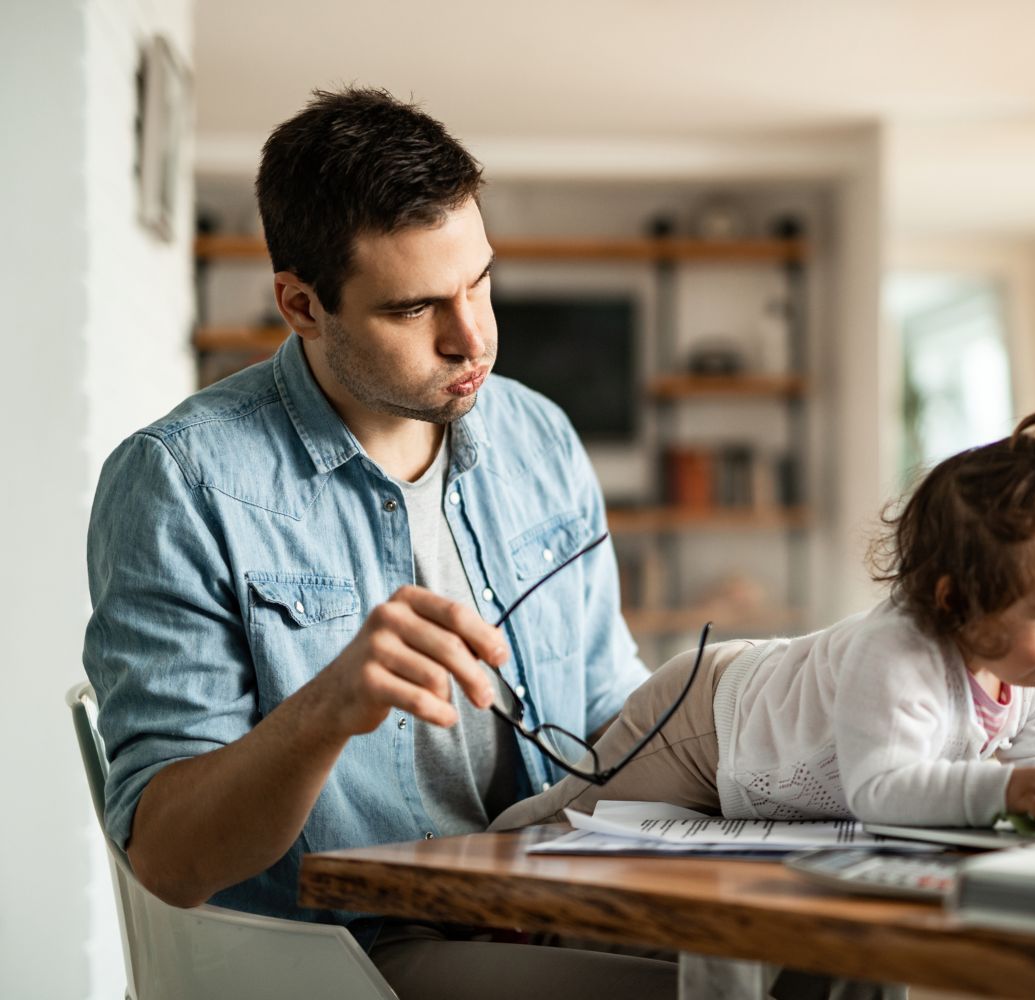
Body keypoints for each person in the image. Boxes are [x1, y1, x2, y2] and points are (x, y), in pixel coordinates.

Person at [83, 86, 678, 999]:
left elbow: (608, 712)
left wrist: (746, 716)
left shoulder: (540, 437)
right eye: (413, 310)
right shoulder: (181, 482)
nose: (470, 336)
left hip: (553, 906)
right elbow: (168, 859)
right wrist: (323, 712)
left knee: (810, 973)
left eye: (479, 281)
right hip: (342, 953)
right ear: (301, 304)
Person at [493, 411, 1035, 834]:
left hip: (752, 765)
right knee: (570, 818)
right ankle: (474, 868)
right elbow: (882, 788)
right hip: (709, 722)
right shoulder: (898, 653)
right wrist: (1000, 789)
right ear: (954, 600)